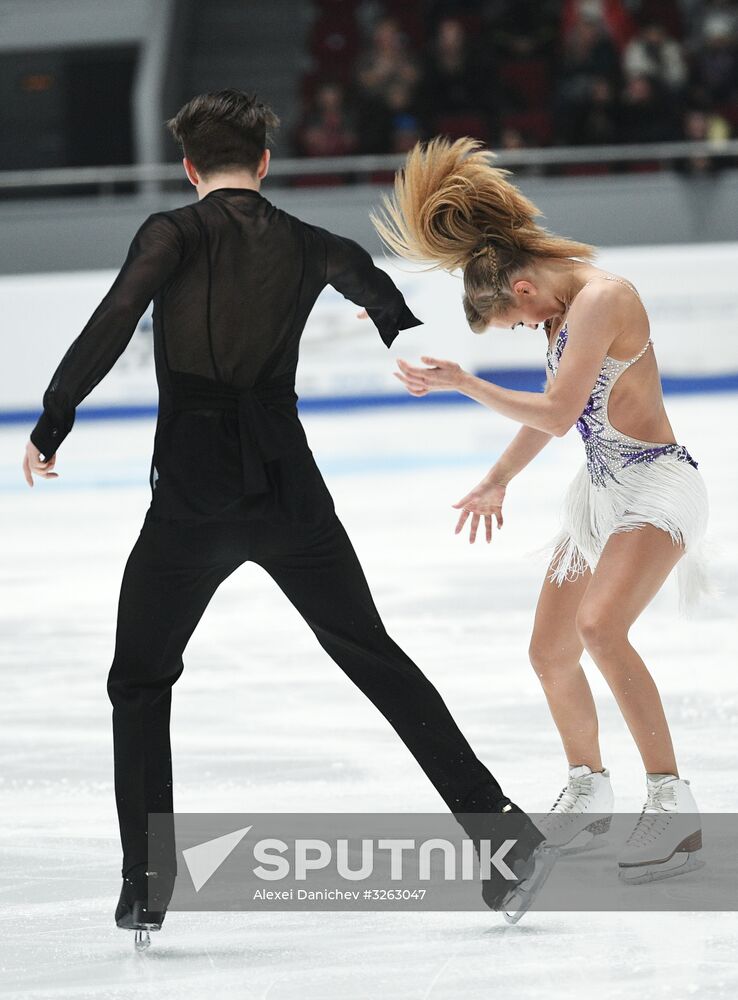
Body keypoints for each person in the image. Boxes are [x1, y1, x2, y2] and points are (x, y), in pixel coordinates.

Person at [22, 92, 549, 941]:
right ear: (263, 165)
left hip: (192, 496)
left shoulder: (171, 232)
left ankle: (147, 882)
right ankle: (501, 836)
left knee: (139, 679)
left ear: (190, 168)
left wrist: (54, 419)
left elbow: (116, 319)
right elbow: (383, 303)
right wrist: (402, 339)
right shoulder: (311, 245)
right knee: (372, 654)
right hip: (287, 488)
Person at [368, 134, 711, 884]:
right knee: (551, 651)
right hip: (601, 493)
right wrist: (497, 479)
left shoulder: (603, 298)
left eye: (516, 324)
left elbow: (558, 413)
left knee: (600, 626)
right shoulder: (559, 313)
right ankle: (588, 790)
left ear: (523, 290)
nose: (526, 330)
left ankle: (673, 804)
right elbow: (554, 416)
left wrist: (465, 382)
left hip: (657, 486)